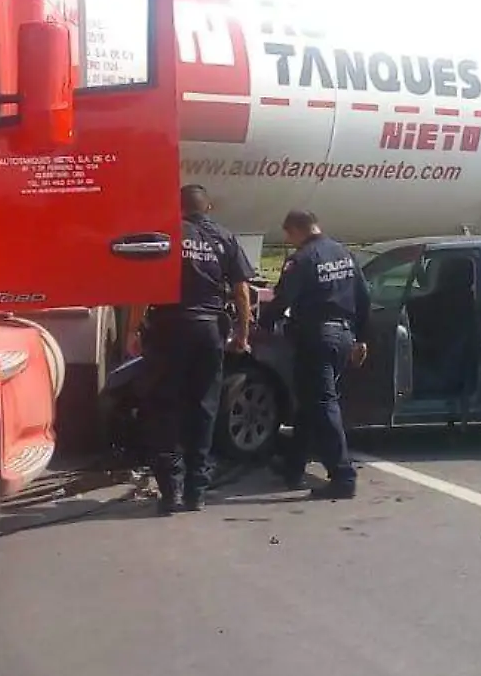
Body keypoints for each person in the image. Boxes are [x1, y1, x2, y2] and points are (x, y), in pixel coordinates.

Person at [137, 184, 255, 514]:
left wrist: (135, 327)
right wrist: (242, 333)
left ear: (177, 207)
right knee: (203, 407)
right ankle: (196, 492)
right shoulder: (226, 238)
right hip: (209, 329)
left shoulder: (166, 234)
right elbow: (241, 291)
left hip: (168, 326)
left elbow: (145, 283)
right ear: (209, 207)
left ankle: (170, 491)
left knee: (166, 406)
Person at [260, 210, 370, 500]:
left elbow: (282, 298)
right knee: (310, 402)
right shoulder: (344, 253)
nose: (289, 241)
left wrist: (260, 326)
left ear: (296, 230)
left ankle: (343, 476)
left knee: (322, 404)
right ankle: (293, 467)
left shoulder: (303, 258)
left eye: (288, 235)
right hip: (344, 336)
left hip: (316, 338)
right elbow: (364, 298)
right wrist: (361, 338)